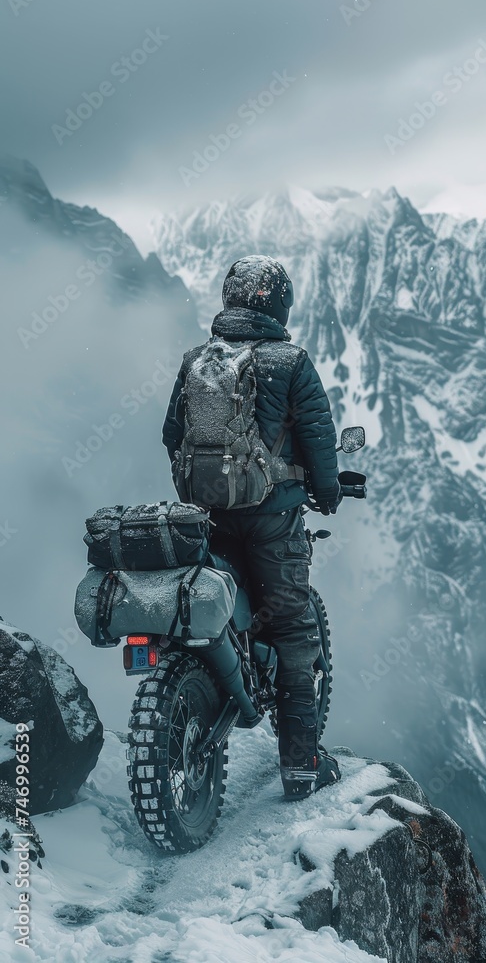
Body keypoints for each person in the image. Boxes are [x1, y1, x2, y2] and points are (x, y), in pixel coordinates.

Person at [162, 254, 342, 800]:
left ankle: (214, 691)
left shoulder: (198, 361)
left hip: (209, 521)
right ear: (280, 304)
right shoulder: (291, 363)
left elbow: (172, 435)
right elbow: (318, 439)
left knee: (216, 613)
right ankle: (301, 767)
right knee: (292, 629)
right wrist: (326, 493)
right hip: (273, 523)